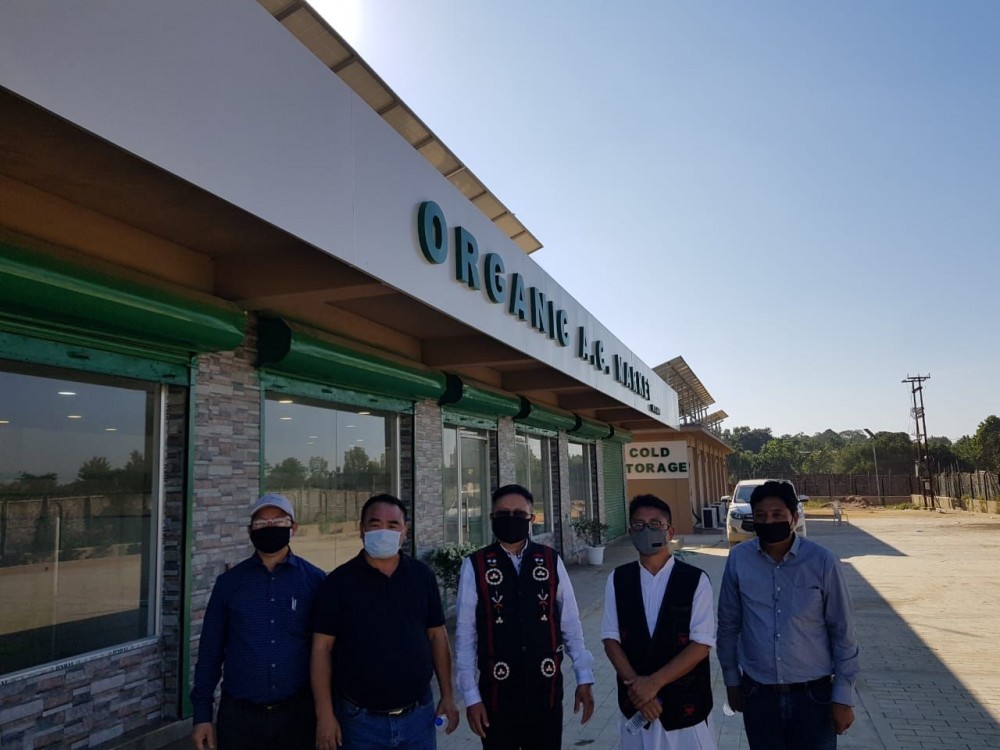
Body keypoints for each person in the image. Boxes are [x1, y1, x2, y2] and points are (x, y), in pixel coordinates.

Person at [717, 480, 860, 749]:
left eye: (777, 515)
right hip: (759, 697)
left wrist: (843, 695)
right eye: (760, 516)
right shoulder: (738, 560)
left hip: (814, 698)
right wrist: (732, 681)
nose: (769, 521)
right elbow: (728, 625)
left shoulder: (823, 561)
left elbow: (842, 630)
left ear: (794, 517)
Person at [311, 493, 459, 750]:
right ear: (362, 530)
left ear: (405, 532)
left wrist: (447, 695)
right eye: (375, 524)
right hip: (360, 723)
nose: (384, 532)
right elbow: (321, 649)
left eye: (393, 526)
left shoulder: (421, 577)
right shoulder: (338, 583)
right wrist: (325, 715)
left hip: (418, 718)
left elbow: (437, 636)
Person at [455, 483, 596, 750]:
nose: (511, 520)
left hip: (547, 694)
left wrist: (584, 677)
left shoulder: (550, 560)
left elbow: (570, 624)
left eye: (519, 515)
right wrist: (471, 697)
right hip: (496, 697)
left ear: (531, 519)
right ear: (492, 518)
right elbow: (465, 636)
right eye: (503, 514)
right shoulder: (475, 565)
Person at [190, 493, 325, 750]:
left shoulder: (315, 581)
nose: (269, 528)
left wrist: (328, 714)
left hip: (298, 717)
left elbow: (327, 650)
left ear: (293, 528)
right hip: (240, 719)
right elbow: (210, 652)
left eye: (278, 521)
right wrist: (202, 715)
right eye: (261, 523)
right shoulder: (230, 584)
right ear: (250, 531)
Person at [601, 495, 717, 750]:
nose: (647, 530)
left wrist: (653, 684)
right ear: (631, 531)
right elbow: (611, 639)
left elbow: (701, 644)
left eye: (655, 524)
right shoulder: (619, 579)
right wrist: (639, 690)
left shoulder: (695, 580)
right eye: (639, 525)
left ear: (670, 531)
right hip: (636, 706)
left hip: (686, 708)